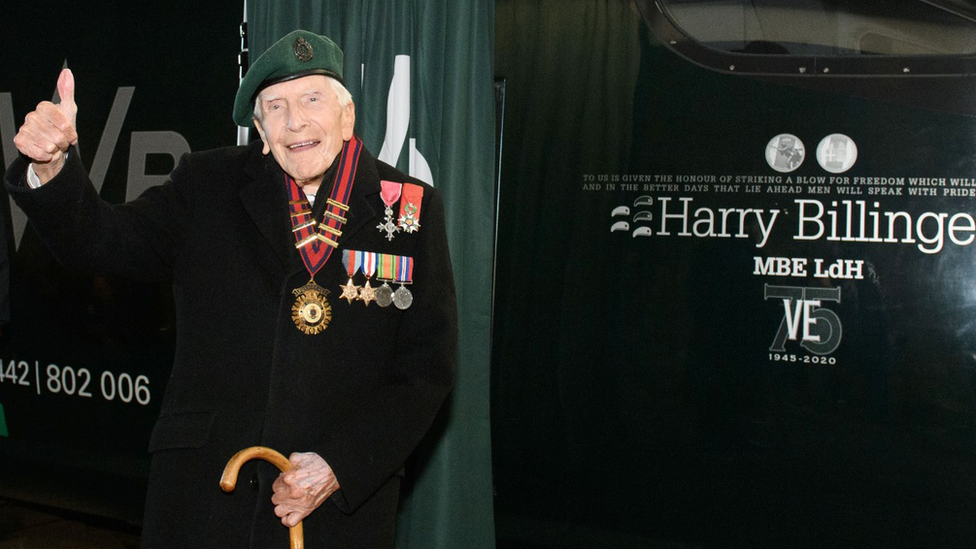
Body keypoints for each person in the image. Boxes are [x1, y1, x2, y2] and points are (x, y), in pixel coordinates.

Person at [5, 30, 457, 549]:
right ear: (261, 131)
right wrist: (51, 168)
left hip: (335, 512)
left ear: (347, 116)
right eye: (276, 107)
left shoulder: (410, 211)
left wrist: (340, 466)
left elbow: (426, 368)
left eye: (313, 99)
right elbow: (105, 242)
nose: (296, 122)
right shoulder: (207, 184)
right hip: (204, 499)